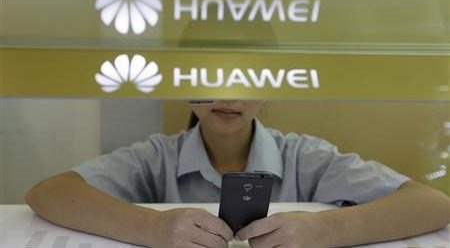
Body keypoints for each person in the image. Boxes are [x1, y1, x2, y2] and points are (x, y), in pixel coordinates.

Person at [26, 100, 449, 248]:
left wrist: (328, 229)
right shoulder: (155, 156)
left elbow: (433, 204)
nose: (227, 97)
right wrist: (151, 226)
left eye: (243, 76)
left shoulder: (304, 155)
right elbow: (47, 193)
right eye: (209, 76)